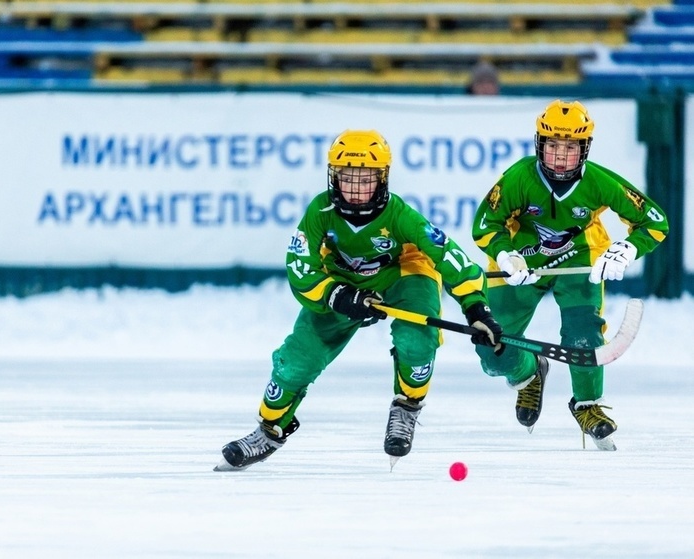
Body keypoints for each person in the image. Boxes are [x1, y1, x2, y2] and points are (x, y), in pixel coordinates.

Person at [215, 129, 503, 471]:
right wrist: (336, 295)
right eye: (347, 178)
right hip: (342, 283)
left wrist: (475, 306)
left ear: (382, 180)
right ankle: (269, 428)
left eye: (365, 179)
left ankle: (407, 407)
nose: (355, 189)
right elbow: (299, 266)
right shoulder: (319, 212)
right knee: (296, 360)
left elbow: (447, 255)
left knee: (416, 340)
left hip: (403, 274)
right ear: (333, 178)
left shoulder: (401, 215)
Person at [471, 99, 669, 450]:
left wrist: (627, 249)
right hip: (522, 263)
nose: (561, 156)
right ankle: (528, 373)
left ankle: (587, 405)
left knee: (583, 333)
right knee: (492, 350)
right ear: (539, 145)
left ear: (585, 149)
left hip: (578, 261)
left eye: (570, 147)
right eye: (553, 146)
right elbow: (485, 223)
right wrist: (505, 254)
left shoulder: (598, 182)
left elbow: (654, 220)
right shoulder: (519, 177)